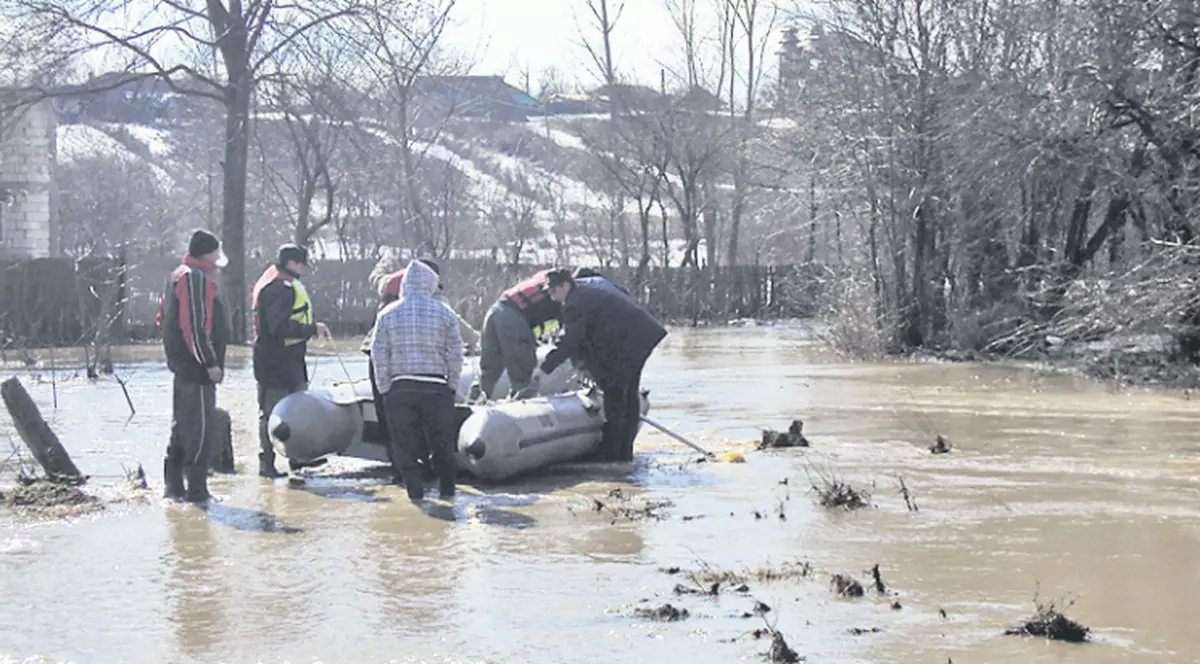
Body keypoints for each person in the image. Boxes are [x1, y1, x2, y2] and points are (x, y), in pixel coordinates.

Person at [532, 269, 666, 462]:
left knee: (615, 395)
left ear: (564, 286)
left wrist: (543, 368)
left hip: (628, 343)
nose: (552, 298)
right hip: (640, 336)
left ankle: (613, 454)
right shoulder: (588, 286)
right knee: (628, 394)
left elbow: (570, 341)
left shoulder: (574, 303)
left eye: (553, 292)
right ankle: (624, 452)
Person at [371, 259, 464, 502]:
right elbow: (455, 353)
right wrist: (452, 385)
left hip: (400, 389)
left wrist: (385, 387)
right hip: (436, 388)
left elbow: (379, 354)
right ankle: (447, 494)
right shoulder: (445, 313)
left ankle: (415, 495)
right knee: (442, 444)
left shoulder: (387, 314)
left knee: (404, 446)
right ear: (431, 284)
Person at [157, 229, 230, 504]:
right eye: (215, 253)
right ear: (208, 253)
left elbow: (161, 318)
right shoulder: (194, 279)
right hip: (196, 369)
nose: (217, 259)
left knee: (182, 425)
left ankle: (174, 488)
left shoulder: (178, 275)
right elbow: (194, 326)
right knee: (200, 430)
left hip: (183, 367)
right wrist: (209, 362)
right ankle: (197, 492)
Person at [251, 243, 330, 478]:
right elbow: (278, 328)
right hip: (274, 361)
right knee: (271, 411)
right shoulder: (279, 287)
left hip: (290, 360)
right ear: (291, 264)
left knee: (296, 410)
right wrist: (311, 329)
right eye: (302, 265)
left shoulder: (281, 282)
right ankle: (267, 464)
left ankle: (297, 460)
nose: (304, 270)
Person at [472, 269, 561, 401]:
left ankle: (472, 403)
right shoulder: (565, 294)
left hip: (495, 310)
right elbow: (571, 337)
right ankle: (522, 407)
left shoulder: (545, 278)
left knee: (488, 370)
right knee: (523, 374)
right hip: (514, 317)